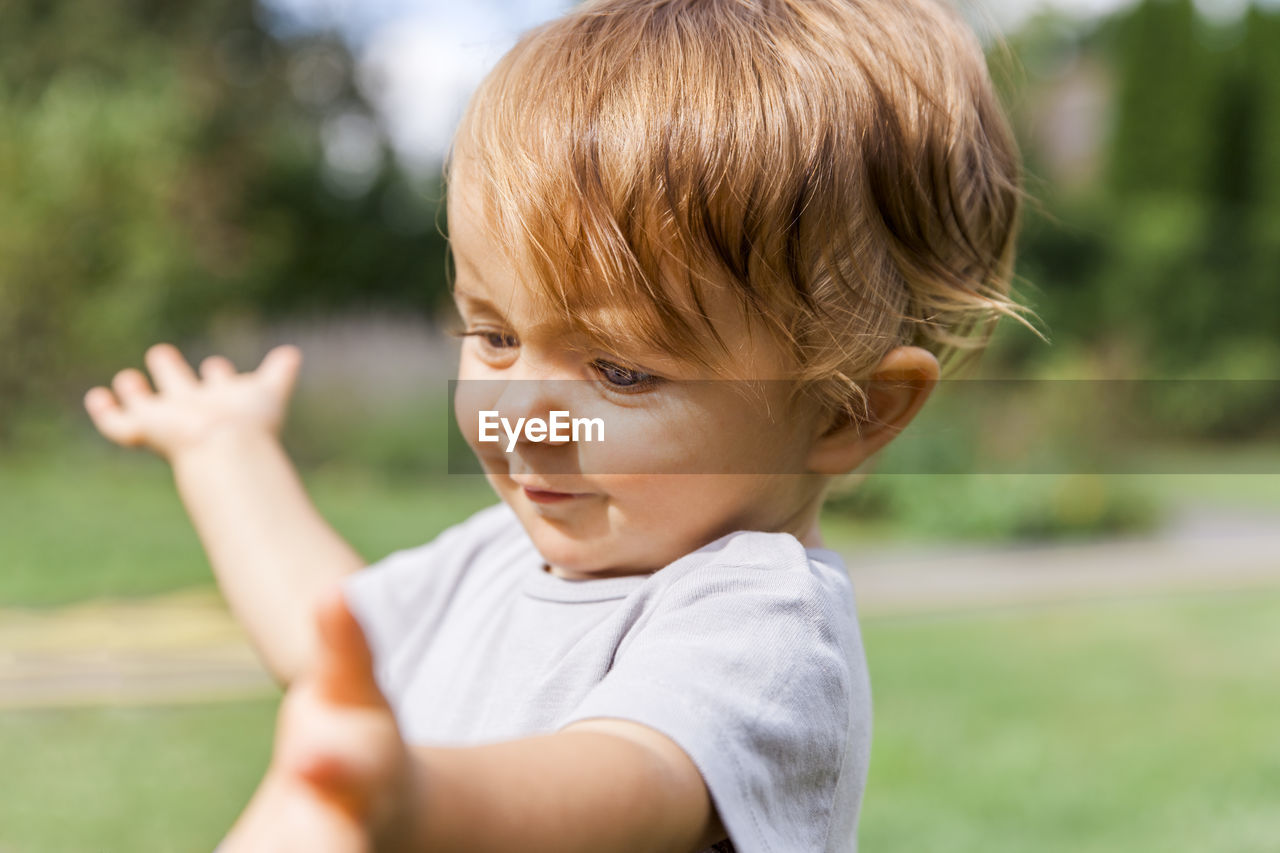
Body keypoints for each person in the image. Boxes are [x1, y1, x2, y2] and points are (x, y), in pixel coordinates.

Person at [83, 0, 1033, 849]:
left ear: (847, 409)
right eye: (493, 335)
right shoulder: (501, 556)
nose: (516, 415)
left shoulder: (760, 618)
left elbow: (627, 780)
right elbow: (332, 640)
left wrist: (418, 801)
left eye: (619, 370)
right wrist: (226, 454)